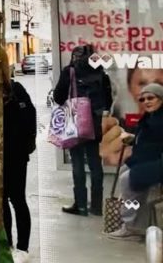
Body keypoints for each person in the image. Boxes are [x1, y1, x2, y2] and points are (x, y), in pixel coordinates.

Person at [53, 45, 113, 216]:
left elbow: (58, 97)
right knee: (95, 163)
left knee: (78, 162)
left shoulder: (69, 71)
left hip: (75, 122)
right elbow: (108, 100)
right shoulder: (101, 72)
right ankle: (96, 206)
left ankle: (80, 206)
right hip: (95, 123)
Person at [108, 83, 163, 241]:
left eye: (151, 98)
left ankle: (131, 226)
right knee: (125, 172)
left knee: (128, 180)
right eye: (143, 99)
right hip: (149, 159)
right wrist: (134, 139)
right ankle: (139, 222)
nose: (146, 101)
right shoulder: (151, 116)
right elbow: (150, 141)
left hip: (158, 163)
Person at [1, 46, 37, 263]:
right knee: (8, 201)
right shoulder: (15, 90)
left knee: (14, 200)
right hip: (11, 155)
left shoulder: (16, 90)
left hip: (14, 155)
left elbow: (29, 118)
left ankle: (20, 247)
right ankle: (12, 246)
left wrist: (25, 145)